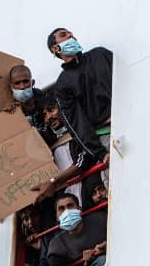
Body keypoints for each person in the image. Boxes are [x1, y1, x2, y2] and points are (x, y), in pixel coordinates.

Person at [32, 28, 112, 204]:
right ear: (55, 49)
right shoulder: (63, 84)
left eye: (70, 33)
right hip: (106, 137)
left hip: (130, 120)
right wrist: (100, 152)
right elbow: (77, 123)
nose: (70, 35)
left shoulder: (100, 55)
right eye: (63, 35)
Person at [47, 192, 108, 266]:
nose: (66, 212)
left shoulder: (100, 219)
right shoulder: (56, 243)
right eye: (61, 209)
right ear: (57, 217)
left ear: (79, 209)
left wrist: (107, 245)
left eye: (70, 206)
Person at [7, 64, 57, 146]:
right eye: (17, 83)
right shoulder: (12, 110)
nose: (22, 86)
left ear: (32, 82)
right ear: (11, 87)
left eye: (25, 81)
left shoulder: (48, 102)